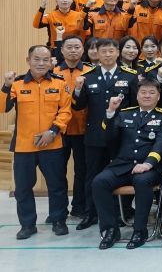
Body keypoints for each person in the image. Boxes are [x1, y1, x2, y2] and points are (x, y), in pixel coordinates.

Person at [2, 45, 72, 240]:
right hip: (24, 146)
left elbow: (65, 111)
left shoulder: (59, 83)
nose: (41, 63)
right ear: (28, 61)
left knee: (57, 185)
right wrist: (5, 86)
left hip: (52, 144)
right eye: (36, 59)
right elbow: (2, 108)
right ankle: (27, 224)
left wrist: (52, 131)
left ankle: (59, 221)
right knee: (23, 188)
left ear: (51, 62)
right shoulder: (16, 84)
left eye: (45, 60)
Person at [92, 79, 162, 249]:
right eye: (143, 92)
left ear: (158, 97)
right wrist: (111, 112)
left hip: (150, 167)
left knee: (142, 181)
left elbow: (161, 144)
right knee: (99, 182)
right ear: (137, 95)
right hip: (123, 164)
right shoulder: (124, 114)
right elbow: (109, 138)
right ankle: (111, 230)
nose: (147, 96)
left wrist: (148, 164)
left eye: (152, 92)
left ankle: (139, 230)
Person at [71, 38, 139, 231]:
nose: (107, 55)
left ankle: (122, 212)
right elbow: (78, 106)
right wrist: (77, 90)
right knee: (92, 175)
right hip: (95, 135)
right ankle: (91, 213)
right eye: (103, 51)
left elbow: (135, 107)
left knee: (122, 174)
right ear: (96, 54)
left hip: (122, 136)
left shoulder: (130, 76)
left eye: (111, 51)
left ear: (118, 53)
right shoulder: (88, 77)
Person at [54, 35, 93, 219]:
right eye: (69, 47)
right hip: (59, 131)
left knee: (82, 171)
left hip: (83, 129)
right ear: (62, 50)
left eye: (77, 47)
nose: (73, 51)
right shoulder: (53, 71)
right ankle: (59, 210)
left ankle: (79, 207)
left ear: (83, 50)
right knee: (57, 172)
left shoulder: (90, 71)